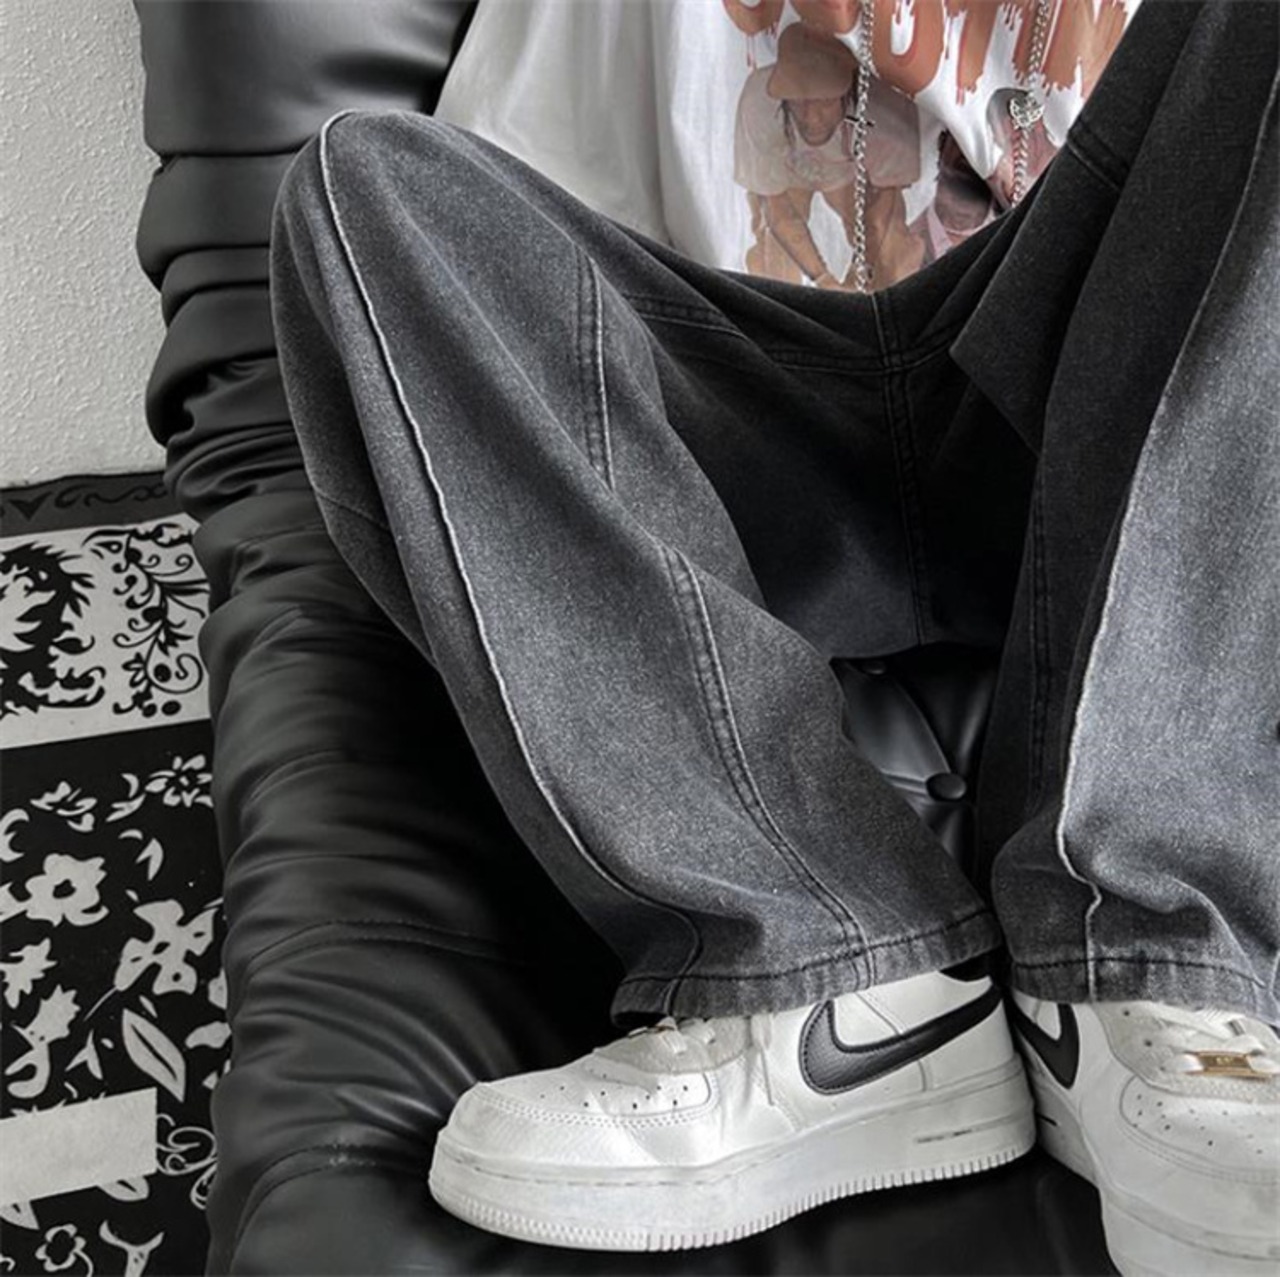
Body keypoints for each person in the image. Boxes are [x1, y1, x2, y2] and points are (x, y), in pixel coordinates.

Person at [263, 0, 1278, 1272]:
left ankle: (1140, 961)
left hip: (1075, 376)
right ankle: (837, 981)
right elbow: (499, 253)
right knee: (363, 177)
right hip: (726, 401)